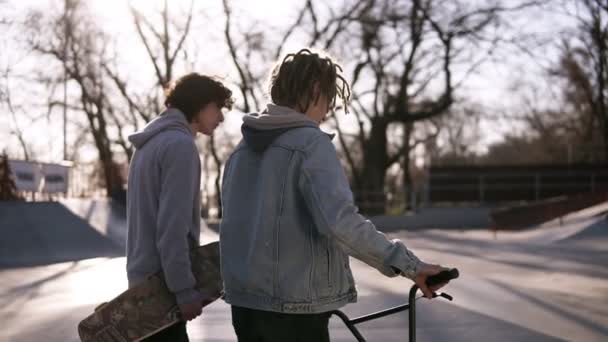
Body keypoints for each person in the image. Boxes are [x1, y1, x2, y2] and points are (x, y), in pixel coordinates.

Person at [219, 49, 449, 342]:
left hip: (245, 305)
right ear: (315, 90)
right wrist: (410, 266)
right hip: (295, 309)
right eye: (328, 98)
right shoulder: (310, 144)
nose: (328, 109)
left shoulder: (240, 152)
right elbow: (339, 223)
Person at [126, 73, 233, 341]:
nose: (220, 117)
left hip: (142, 285)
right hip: (164, 290)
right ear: (199, 105)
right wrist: (184, 291)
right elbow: (172, 229)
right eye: (217, 107)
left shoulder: (148, 145)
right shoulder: (180, 146)